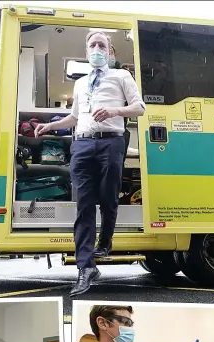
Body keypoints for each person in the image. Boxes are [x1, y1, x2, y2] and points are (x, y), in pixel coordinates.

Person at [35, 31, 146, 297]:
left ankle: (104, 241)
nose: (96, 48)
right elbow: (73, 118)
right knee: (84, 205)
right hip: (82, 145)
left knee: (108, 199)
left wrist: (115, 110)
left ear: (110, 52)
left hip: (112, 141)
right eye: (92, 45)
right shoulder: (80, 83)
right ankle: (86, 268)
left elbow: (140, 107)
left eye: (101, 45)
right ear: (87, 51)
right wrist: (51, 125)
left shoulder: (121, 76)